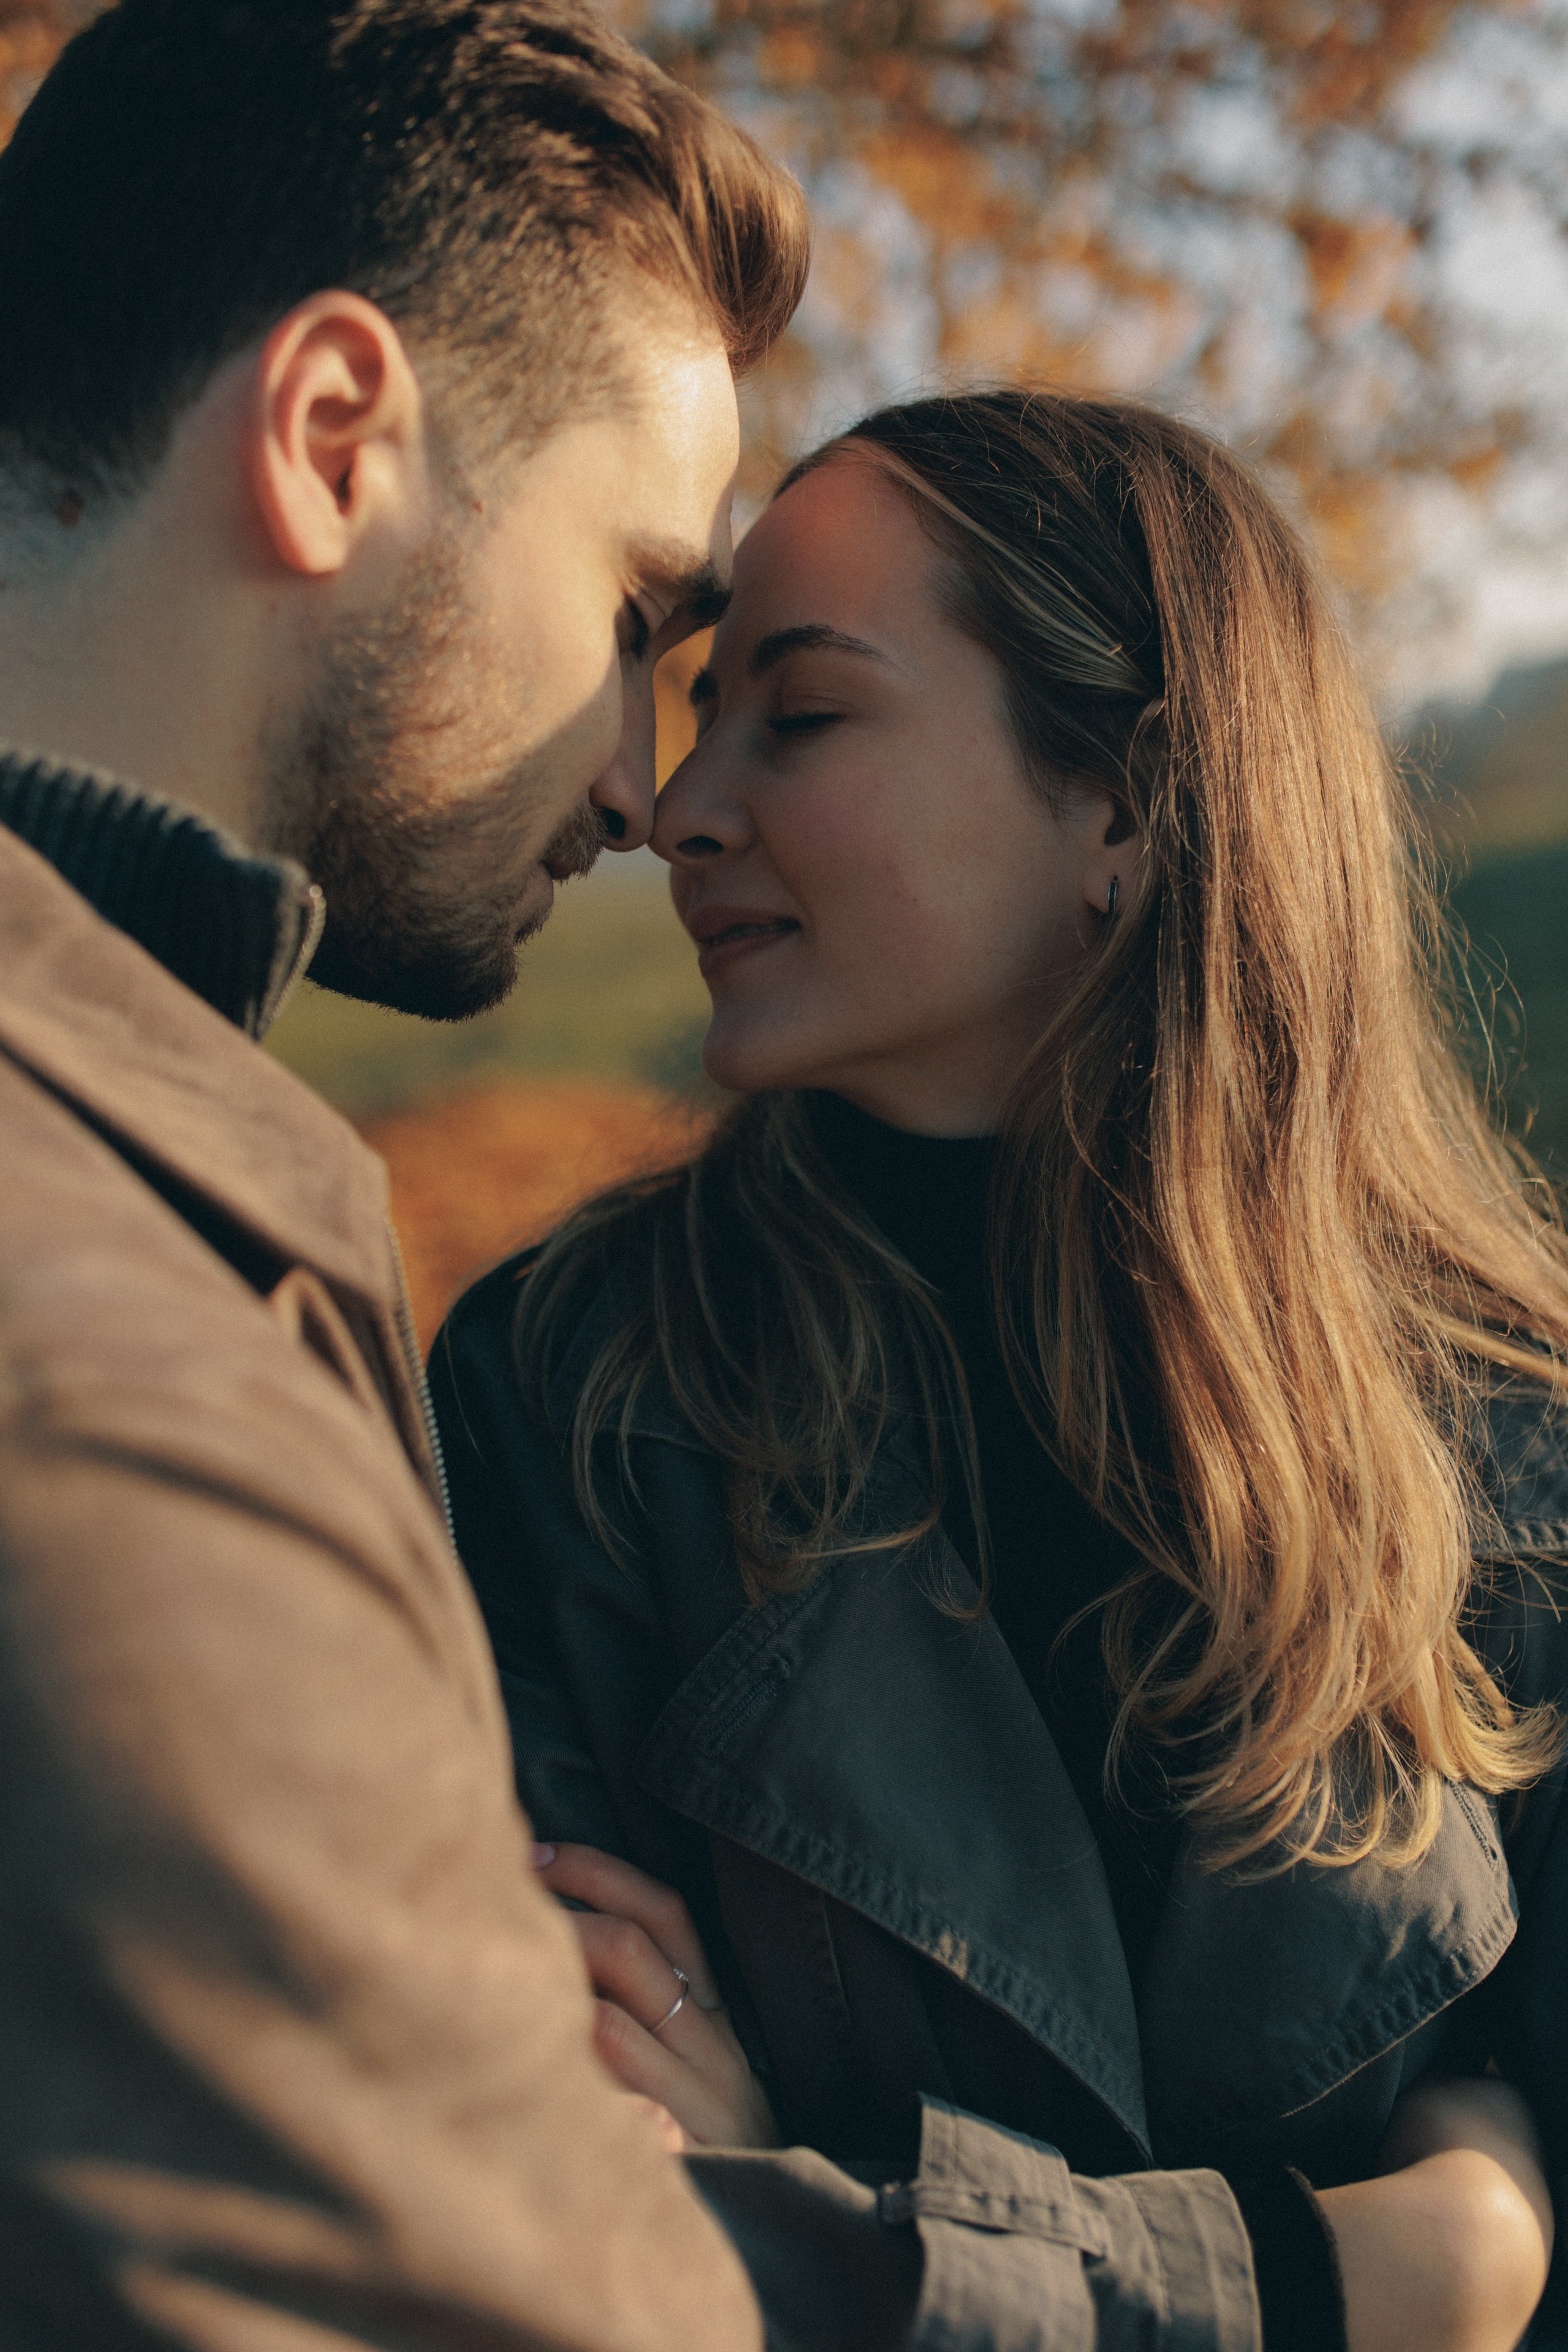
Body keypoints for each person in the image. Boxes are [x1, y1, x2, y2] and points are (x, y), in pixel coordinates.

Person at [0, 7, 1151, 2346]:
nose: (644, 788)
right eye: (640, 615)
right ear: (335, 440)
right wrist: (1317, 2283)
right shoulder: (95, 1343)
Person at [432, 390, 1568, 2352]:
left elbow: (756, 2252)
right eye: (704, 720)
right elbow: (580, 2212)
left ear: (1122, 804)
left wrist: (846, 2218)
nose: (684, 809)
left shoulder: (1512, 1427)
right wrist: (1396, 2266)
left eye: (799, 712)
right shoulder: (565, 1402)